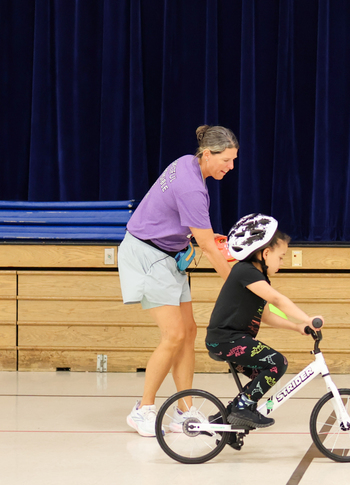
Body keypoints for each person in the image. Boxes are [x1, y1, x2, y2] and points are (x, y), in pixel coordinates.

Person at [119, 125, 238, 436]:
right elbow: (210, 249)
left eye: (234, 159)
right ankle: (143, 409)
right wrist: (239, 285)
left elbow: (194, 232)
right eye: (226, 159)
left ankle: (183, 409)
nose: (231, 166)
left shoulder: (187, 162)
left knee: (188, 331)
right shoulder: (192, 189)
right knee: (173, 335)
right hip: (147, 255)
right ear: (208, 155)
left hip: (169, 253)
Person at [206, 213, 321, 428]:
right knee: (278, 363)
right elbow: (277, 299)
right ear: (265, 254)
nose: (283, 262)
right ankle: (242, 407)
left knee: (264, 372)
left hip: (230, 341)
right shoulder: (245, 272)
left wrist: (298, 327)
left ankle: (227, 419)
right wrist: (308, 318)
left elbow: (267, 315)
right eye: (281, 257)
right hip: (227, 340)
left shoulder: (255, 276)